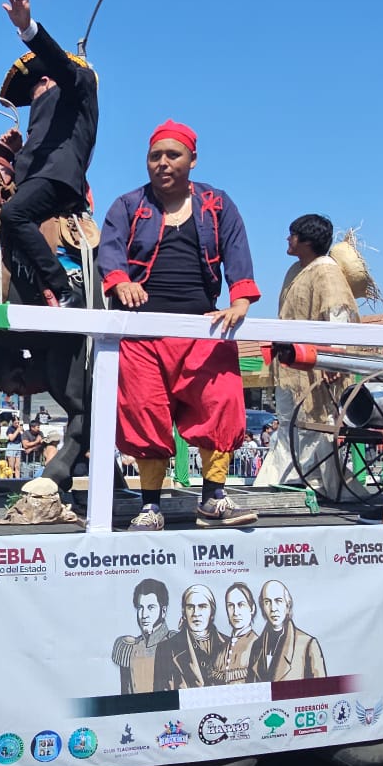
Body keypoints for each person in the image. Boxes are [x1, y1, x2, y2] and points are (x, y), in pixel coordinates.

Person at [99, 120, 262, 530]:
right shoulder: (127, 205)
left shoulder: (217, 203)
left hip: (202, 328)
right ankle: (150, 507)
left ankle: (214, 499)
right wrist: (120, 282)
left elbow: (236, 248)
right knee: (144, 412)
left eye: (173, 155)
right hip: (142, 332)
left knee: (221, 402)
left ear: (193, 159)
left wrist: (240, 298)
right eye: (155, 155)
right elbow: (111, 251)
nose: (163, 163)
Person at [0, 0, 98, 309]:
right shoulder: (44, 117)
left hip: (58, 179)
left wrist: (27, 28)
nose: (31, 100)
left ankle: (63, 289)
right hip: (38, 179)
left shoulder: (79, 83)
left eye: (33, 92)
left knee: (14, 214)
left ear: (46, 78)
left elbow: (60, 63)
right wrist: (14, 152)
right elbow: (38, 150)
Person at [263, 213, 361, 491]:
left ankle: (308, 480)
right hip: (291, 363)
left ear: (306, 241)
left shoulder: (326, 271)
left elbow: (337, 313)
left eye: (292, 235)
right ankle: (293, 479)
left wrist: (334, 358)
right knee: (289, 423)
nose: (288, 239)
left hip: (316, 364)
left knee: (315, 422)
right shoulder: (295, 270)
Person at [153, 584, 224, 691]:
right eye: (190, 607)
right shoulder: (166, 649)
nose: (196, 613)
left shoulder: (230, 644)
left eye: (202, 606)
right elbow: (162, 695)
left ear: (212, 612)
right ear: (184, 612)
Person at [252, 580, 327, 682]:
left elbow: (322, 687)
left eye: (278, 601)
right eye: (267, 602)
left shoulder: (308, 644)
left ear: (288, 605)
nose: (273, 608)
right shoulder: (257, 645)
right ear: (262, 607)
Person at [110, 578, 173, 696]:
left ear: (163, 611)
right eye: (140, 607)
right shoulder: (128, 647)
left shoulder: (178, 643)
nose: (144, 615)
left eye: (151, 607)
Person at [211, 582, 262, 686]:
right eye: (231, 606)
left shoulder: (259, 645)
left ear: (252, 608)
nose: (235, 612)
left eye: (241, 605)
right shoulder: (221, 649)